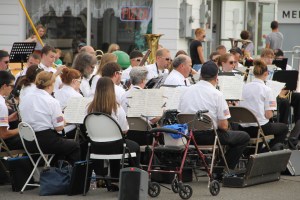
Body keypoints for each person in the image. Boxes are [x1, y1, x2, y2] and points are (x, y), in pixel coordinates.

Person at [178, 61, 250, 176]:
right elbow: (223, 126)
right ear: (217, 77)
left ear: (200, 76)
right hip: (209, 136)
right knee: (243, 137)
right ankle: (221, 170)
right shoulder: (217, 94)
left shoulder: (186, 91)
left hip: (188, 136)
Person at [19, 71, 80, 164]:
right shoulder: (52, 101)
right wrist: (64, 121)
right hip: (45, 142)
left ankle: (55, 172)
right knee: (74, 145)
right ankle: (70, 176)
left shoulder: (25, 98)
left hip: (28, 141)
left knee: (62, 144)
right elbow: (59, 127)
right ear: (50, 85)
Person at [86, 77, 140, 178]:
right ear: (112, 90)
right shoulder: (117, 108)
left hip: (96, 147)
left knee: (118, 142)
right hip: (116, 147)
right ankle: (135, 179)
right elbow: (124, 130)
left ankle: (105, 177)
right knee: (134, 146)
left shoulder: (89, 109)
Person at [239, 59, 288, 151]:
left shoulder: (243, 87)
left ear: (253, 73)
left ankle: (252, 152)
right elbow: (268, 115)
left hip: (243, 128)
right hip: (259, 128)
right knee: (284, 128)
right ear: (266, 73)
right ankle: (265, 153)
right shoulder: (267, 90)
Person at [0, 71, 22, 150]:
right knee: (35, 139)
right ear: (4, 86)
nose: (13, 89)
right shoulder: (2, 105)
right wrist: (22, 129)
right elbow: (3, 134)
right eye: (12, 86)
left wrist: (7, 119)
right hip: (4, 142)